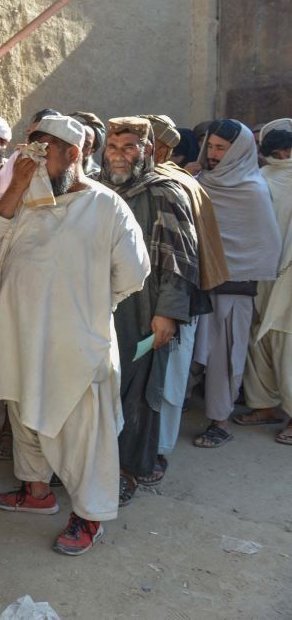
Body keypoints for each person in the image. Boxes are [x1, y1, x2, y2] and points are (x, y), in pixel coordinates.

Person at [0, 115, 150, 556]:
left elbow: (133, 274)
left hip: (76, 341)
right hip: (20, 337)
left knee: (80, 431)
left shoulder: (106, 205)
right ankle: (36, 494)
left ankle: (90, 515)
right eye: (30, 149)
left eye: (45, 151)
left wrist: (82, 302)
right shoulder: (27, 199)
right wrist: (15, 185)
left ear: (74, 155)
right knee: (24, 415)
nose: (34, 159)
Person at [99, 117, 198, 504]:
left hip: (144, 308)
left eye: (128, 147)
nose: (119, 156)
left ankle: (128, 471)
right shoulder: (96, 187)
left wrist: (168, 313)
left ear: (147, 150)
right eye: (112, 147)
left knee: (139, 393)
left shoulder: (165, 192)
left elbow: (180, 259)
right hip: (99, 304)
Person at [142, 114, 228, 475]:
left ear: (160, 147)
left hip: (177, 300)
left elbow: (190, 254)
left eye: (140, 142)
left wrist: (172, 305)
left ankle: (158, 451)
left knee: (169, 379)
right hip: (141, 299)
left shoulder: (179, 185)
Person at [191, 120, 281, 449]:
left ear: (238, 151)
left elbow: (261, 245)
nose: (213, 154)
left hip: (233, 290)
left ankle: (220, 421)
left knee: (224, 357)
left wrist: (225, 270)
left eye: (220, 148)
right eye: (210, 146)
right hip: (196, 284)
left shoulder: (253, 190)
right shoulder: (199, 181)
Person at [238, 121, 292, 445]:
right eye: (278, 151)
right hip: (261, 271)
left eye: (289, 150)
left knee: (287, 341)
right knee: (257, 337)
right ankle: (264, 405)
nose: (285, 155)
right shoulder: (259, 180)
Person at [70, 111, 107, 179]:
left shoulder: (97, 179)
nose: (78, 147)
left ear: (92, 151)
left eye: (85, 145)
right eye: (74, 139)